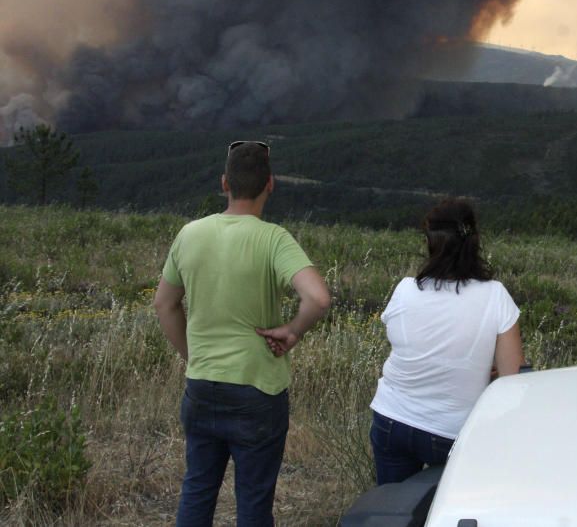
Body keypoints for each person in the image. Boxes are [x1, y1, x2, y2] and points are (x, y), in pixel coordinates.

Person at [153, 140, 331, 526]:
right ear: (270, 184)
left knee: (197, 492)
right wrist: (292, 331)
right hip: (258, 390)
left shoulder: (189, 234)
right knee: (253, 502)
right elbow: (317, 298)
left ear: (224, 184)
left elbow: (164, 304)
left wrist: (192, 355)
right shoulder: (274, 239)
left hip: (201, 386)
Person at [369, 198, 524, 485]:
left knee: (391, 510)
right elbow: (512, 378)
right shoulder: (495, 296)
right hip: (453, 431)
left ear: (430, 242)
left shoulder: (405, 290)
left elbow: (409, 347)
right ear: (474, 241)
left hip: (392, 419)